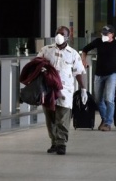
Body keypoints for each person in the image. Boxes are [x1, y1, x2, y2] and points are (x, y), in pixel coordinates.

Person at [37, 26, 87, 155]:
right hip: (48, 89)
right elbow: (36, 65)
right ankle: (54, 142)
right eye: (57, 33)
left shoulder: (73, 53)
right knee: (50, 118)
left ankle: (61, 143)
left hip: (65, 90)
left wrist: (83, 89)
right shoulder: (46, 50)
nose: (59, 36)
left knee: (63, 116)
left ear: (68, 37)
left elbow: (79, 72)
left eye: (62, 34)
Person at [81, 25, 116, 132]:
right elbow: (85, 49)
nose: (104, 35)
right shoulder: (98, 42)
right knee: (98, 100)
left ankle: (107, 123)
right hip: (99, 74)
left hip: (111, 74)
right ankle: (105, 119)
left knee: (109, 98)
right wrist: (83, 60)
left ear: (112, 34)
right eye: (103, 33)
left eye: (107, 34)